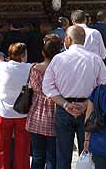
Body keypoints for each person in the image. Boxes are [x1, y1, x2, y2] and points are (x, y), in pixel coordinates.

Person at [42, 25, 106, 169]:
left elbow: (47, 87)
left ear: (68, 40)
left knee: (63, 155)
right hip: (88, 109)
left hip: (64, 107)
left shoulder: (58, 59)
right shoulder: (95, 59)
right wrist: (86, 104)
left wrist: (65, 104)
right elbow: (103, 86)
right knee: (88, 153)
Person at [0, 43, 33, 169]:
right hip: (22, 112)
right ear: (23, 55)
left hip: (3, 112)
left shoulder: (2, 67)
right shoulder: (29, 68)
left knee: (0, 147)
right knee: (23, 148)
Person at [26, 35, 63, 169]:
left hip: (36, 113)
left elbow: (33, 88)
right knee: (52, 157)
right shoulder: (60, 70)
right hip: (55, 112)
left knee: (37, 155)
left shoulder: (35, 68)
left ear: (43, 52)